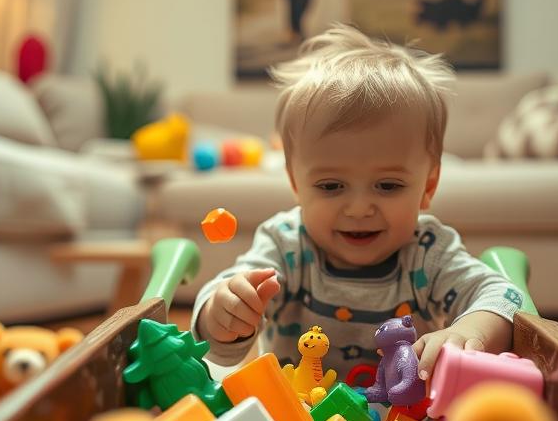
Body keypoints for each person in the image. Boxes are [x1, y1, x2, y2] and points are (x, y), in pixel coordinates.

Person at [192, 24, 521, 386]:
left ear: (428, 185)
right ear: (295, 184)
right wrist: (224, 314)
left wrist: (467, 333)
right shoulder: (286, 244)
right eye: (331, 186)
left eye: (388, 185)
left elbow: (506, 297)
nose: (360, 208)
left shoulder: (428, 253)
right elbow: (221, 323)